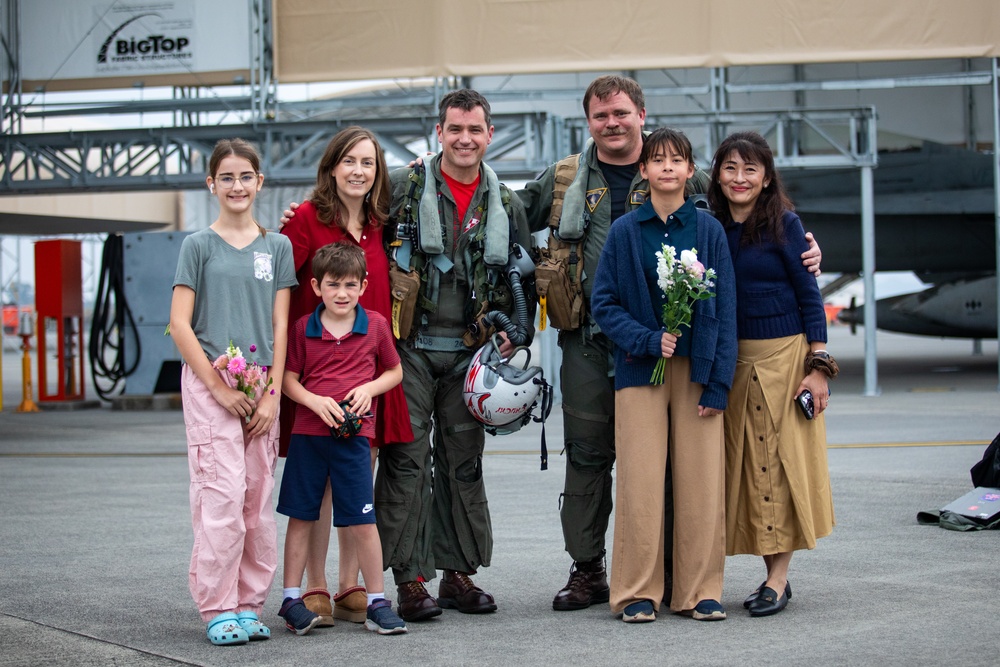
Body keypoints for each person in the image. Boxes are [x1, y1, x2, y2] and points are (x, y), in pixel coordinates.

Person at [518, 74, 821, 611]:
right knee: (593, 458)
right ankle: (591, 570)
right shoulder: (565, 177)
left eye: (622, 113)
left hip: (687, 355)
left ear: (641, 114)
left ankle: (686, 582)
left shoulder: (694, 184)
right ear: (589, 121)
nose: (612, 123)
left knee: (688, 473)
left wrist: (800, 240)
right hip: (592, 342)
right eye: (601, 115)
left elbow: (743, 203)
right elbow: (510, 216)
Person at [374, 89, 533, 622]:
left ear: (489, 136)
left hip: (471, 355)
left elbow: (523, 278)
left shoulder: (505, 203)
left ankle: (457, 573)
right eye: (455, 129)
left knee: (463, 463)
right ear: (439, 133)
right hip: (409, 351)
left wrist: (516, 333)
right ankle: (409, 580)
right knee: (407, 462)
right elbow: (344, 215)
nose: (465, 139)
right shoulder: (401, 188)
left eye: (476, 130)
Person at [590, 127, 736, 623]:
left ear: (691, 171)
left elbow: (727, 312)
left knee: (700, 483)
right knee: (640, 483)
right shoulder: (625, 232)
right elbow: (604, 304)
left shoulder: (710, 231)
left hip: (699, 372)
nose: (668, 167)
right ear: (644, 171)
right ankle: (636, 592)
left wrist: (719, 381)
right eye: (659, 160)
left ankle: (699, 590)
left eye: (678, 160)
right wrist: (647, 340)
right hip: (640, 373)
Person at [279, 126, 413, 627]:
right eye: (350, 162)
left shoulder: (383, 224)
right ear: (332, 167)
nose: (359, 171)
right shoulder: (306, 221)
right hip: (315, 377)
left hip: (370, 374)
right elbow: (277, 286)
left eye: (369, 164)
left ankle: (350, 584)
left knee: (360, 475)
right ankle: (313, 586)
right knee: (318, 487)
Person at [169, 138, 296, 645]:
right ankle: (217, 606)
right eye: (227, 177)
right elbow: (180, 325)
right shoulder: (197, 245)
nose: (237, 185)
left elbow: (280, 326)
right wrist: (219, 391)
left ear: (259, 182)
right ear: (212, 185)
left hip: (262, 383)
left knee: (257, 501)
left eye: (246, 176)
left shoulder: (277, 247)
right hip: (212, 383)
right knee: (220, 497)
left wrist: (272, 395)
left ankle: (248, 605)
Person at [707, 131, 836, 617]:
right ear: (717, 173)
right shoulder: (708, 224)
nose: (740, 178)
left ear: (766, 179)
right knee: (744, 468)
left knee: (777, 467)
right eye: (731, 168)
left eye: (751, 170)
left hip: (784, 358)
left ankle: (777, 579)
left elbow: (810, 296)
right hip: (730, 361)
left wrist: (819, 367)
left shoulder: (785, 224)